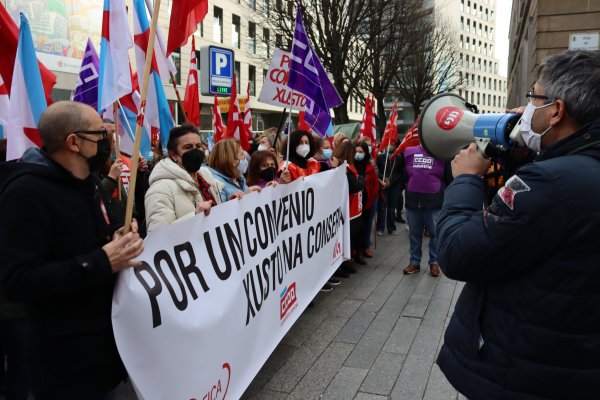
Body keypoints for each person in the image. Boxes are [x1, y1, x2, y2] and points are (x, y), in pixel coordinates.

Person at [436, 50, 600, 399]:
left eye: (534, 98)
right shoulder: (576, 171)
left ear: (556, 111)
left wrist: (466, 179)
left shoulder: (551, 183)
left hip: (524, 373)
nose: (526, 109)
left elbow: (456, 252)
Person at [0, 101, 144, 399]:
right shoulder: (26, 193)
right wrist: (102, 261)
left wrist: (118, 233)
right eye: (100, 133)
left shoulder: (89, 183)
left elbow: (101, 229)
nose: (108, 140)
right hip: (64, 363)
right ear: (74, 142)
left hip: (101, 350)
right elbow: (18, 279)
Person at [145, 124, 223, 233]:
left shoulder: (208, 181)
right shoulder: (160, 189)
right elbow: (158, 235)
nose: (195, 151)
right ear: (173, 155)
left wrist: (232, 204)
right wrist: (194, 216)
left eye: (198, 146)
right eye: (188, 147)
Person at [401, 144, 451, 277]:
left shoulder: (441, 152)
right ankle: (414, 262)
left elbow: (448, 178)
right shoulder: (409, 152)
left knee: (436, 234)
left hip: (434, 202)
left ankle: (434, 262)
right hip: (413, 201)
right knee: (414, 234)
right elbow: (404, 174)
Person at [354, 141, 379, 258]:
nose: (358, 154)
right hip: (355, 200)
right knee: (357, 225)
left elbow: (375, 182)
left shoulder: (370, 165)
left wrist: (373, 195)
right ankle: (355, 248)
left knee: (368, 223)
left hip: (368, 199)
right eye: (356, 151)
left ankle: (365, 246)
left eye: (361, 152)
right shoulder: (351, 164)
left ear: (365, 153)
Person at [376, 145, 403, 235]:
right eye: (389, 143)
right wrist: (382, 179)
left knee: (392, 207)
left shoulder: (399, 158)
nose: (390, 145)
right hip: (383, 185)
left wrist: (391, 181)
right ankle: (380, 228)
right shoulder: (380, 157)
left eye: (392, 143)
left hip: (394, 185)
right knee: (382, 206)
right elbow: (377, 170)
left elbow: (400, 172)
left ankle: (391, 228)